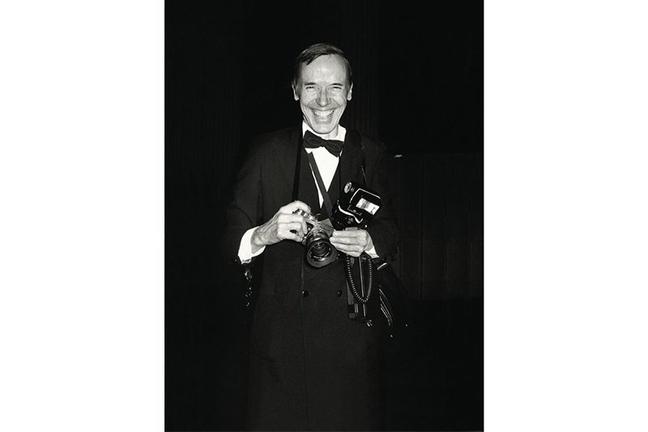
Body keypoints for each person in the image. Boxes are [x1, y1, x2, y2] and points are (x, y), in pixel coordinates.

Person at [224, 42, 398, 431]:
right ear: (294, 90)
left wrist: (369, 242)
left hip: (352, 341)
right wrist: (262, 235)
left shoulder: (372, 153)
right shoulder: (266, 151)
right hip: (281, 346)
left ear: (350, 91)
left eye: (335, 87)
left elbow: (391, 230)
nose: (323, 101)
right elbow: (226, 240)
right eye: (311, 87)